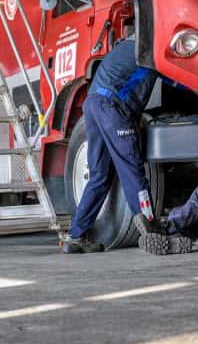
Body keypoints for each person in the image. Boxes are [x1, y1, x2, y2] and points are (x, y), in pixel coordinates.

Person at [62, 38, 160, 254]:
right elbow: (176, 77)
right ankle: (152, 230)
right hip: (112, 107)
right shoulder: (150, 47)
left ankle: (75, 236)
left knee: (99, 175)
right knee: (132, 169)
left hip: (93, 105)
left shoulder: (125, 47)